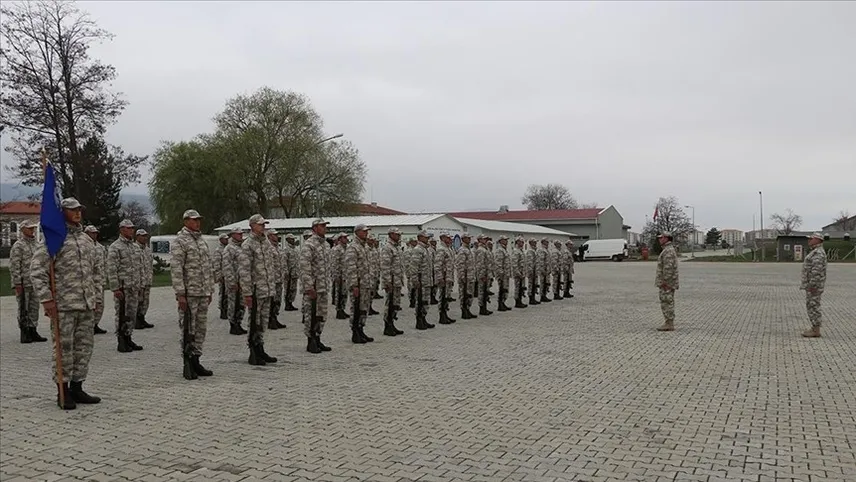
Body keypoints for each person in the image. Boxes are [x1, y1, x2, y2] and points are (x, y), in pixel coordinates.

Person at [30, 198, 103, 409]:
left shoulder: (86, 240)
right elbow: (38, 270)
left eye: (79, 209)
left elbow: (96, 271)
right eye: (72, 210)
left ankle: (77, 388)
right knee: (63, 349)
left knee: (84, 349)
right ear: (62, 212)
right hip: (64, 305)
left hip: (86, 304)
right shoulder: (54, 238)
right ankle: (62, 391)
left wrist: (97, 297)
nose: (77, 213)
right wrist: (47, 299)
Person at [170, 209, 215, 379]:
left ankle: (196, 359)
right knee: (188, 328)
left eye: (198, 220)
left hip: (202, 292)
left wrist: (210, 289)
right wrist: (180, 293)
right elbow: (176, 268)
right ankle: (187, 362)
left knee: (200, 329)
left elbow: (208, 267)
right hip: (189, 293)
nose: (197, 223)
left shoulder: (201, 241)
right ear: (186, 221)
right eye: (194, 220)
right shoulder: (180, 241)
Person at [238, 214, 279, 365]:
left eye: (264, 224)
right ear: (252, 226)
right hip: (255, 290)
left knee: (263, 321)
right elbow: (244, 270)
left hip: (266, 289)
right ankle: (253, 351)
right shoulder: (248, 244)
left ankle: (260, 348)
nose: (263, 227)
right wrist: (247, 293)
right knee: (254, 322)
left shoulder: (265, 242)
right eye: (260, 224)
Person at [107, 219, 144, 352]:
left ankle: (128, 337)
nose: (131, 230)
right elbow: (112, 269)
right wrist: (115, 288)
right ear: (121, 229)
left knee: (132, 314)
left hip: (134, 286)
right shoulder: (115, 247)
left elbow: (140, 267)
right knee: (122, 314)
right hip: (123, 287)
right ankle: (121, 339)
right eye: (128, 228)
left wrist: (141, 284)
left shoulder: (135, 247)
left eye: (132, 228)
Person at [10, 219, 47, 343]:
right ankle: (24, 331)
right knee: (23, 308)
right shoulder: (18, 245)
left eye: (33, 228)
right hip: (23, 282)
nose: (32, 230)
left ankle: (33, 329)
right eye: (29, 228)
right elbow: (14, 265)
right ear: (22, 230)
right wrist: (17, 283)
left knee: (34, 307)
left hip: (35, 282)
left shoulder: (37, 244)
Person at [299, 218, 333, 353]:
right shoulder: (309, 245)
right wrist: (309, 287)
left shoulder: (326, 245)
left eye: (325, 226)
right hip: (313, 287)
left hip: (323, 286)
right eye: (322, 226)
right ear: (314, 228)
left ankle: (318, 337)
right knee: (310, 314)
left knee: (321, 314)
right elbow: (304, 267)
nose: (325, 228)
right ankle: (310, 340)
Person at [345, 224, 374, 343]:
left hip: (365, 284)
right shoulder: (353, 247)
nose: (366, 233)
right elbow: (351, 268)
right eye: (364, 231)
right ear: (357, 232)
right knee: (356, 308)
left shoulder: (364, 247)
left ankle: (361, 329)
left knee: (363, 309)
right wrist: (354, 285)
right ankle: (355, 332)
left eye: (367, 231)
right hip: (358, 284)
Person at [800, 233, 828, 338]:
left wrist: (812, 285)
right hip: (812, 285)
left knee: (814, 306)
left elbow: (816, 271)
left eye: (811, 239)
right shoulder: (815, 251)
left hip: (814, 286)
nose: (809, 240)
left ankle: (816, 330)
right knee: (811, 306)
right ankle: (814, 328)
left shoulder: (818, 253)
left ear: (818, 240)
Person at [380, 227, 406, 336]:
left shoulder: (397, 247)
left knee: (395, 303)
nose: (399, 236)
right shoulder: (387, 248)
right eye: (397, 234)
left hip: (397, 281)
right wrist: (387, 282)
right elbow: (385, 266)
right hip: (391, 281)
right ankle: (387, 326)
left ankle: (392, 324)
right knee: (389, 303)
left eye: (399, 234)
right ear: (391, 235)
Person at [85, 225, 109, 334]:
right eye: (92, 233)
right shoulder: (84, 246)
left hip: (100, 280)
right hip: (89, 281)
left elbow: (105, 263)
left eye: (95, 233)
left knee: (100, 304)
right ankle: (88, 325)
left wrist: (105, 277)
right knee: (90, 304)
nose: (94, 235)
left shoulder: (100, 247)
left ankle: (95, 324)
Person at [223, 228, 247, 335]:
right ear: (232, 235)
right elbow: (227, 266)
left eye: (241, 234)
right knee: (233, 304)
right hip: (234, 281)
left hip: (242, 281)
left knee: (241, 304)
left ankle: (239, 323)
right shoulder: (229, 248)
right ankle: (233, 325)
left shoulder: (241, 247)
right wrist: (232, 282)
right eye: (238, 234)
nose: (241, 235)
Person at [655, 232, 679, 331]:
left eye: (661, 238)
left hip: (667, 283)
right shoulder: (667, 250)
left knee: (667, 301)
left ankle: (669, 323)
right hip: (666, 282)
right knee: (666, 301)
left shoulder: (668, 251)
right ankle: (668, 322)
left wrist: (666, 282)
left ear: (666, 238)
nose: (659, 239)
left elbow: (668, 267)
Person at [411, 231, 434, 330]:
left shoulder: (425, 249)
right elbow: (414, 266)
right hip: (421, 280)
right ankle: (419, 320)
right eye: (425, 237)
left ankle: (423, 318)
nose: (427, 239)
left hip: (426, 280)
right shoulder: (418, 249)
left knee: (425, 301)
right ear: (420, 237)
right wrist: (415, 280)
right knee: (420, 301)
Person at [433, 232, 456, 324]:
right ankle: (442, 316)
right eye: (448, 238)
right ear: (442, 238)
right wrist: (440, 278)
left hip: (448, 277)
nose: (450, 239)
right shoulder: (441, 249)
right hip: (443, 277)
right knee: (442, 296)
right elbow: (437, 265)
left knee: (446, 296)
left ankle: (445, 314)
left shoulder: (448, 249)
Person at [266, 230, 286, 330]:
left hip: (279, 278)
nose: (276, 236)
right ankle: (270, 320)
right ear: (269, 236)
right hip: (272, 279)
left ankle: (275, 317)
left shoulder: (278, 247)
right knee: (272, 300)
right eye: (274, 235)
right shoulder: (267, 247)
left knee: (277, 300)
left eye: (277, 235)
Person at [135, 229, 154, 329]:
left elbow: (150, 264)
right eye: (142, 236)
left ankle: (142, 318)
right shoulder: (134, 248)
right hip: (138, 281)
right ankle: (136, 320)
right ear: (137, 237)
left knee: (145, 301)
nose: (144, 238)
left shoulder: (148, 250)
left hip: (147, 280)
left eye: (145, 236)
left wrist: (150, 276)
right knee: (138, 301)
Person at [455, 233, 477, 319]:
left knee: (469, 294)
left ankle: (468, 309)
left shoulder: (468, 250)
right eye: (467, 238)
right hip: (465, 278)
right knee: (464, 295)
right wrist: (462, 277)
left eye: (470, 238)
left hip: (470, 277)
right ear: (463, 239)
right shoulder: (462, 250)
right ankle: (464, 311)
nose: (469, 239)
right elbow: (460, 265)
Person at [475, 235, 493, 316]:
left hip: (486, 274)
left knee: (485, 291)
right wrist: (482, 275)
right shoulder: (480, 250)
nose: (485, 240)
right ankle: (482, 308)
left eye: (486, 239)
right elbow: (480, 264)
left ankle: (484, 308)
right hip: (483, 275)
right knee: (482, 292)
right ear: (479, 240)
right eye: (484, 239)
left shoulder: (485, 249)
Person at [494, 236, 512, 311]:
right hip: (502, 275)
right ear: (501, 241)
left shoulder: (504, 250)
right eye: (505, 240)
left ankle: (503, 303)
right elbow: (498, 263)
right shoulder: (500, 250)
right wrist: (501, 274)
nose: (506, 241)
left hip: (505, 274)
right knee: (501, 289)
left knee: (505, 289)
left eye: (506, 240)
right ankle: (500, 304)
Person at [282, 234, 299, 311]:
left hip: (295, 273)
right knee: (288, 289)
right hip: (289, 273)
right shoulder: (286, 250)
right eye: (291, 239)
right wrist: (286, 272)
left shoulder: (295, 249)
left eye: (293, 239)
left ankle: (291, 303)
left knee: (293, 289)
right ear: (287, 240)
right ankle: (287, 304)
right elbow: (284, 262)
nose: (293, 240)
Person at [214, 234, 229, 320]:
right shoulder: (218, 250)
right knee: (223, 294)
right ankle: (223, 310)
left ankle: (228, 309)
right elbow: (217, 264)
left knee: (228, 294)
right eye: (225, 239)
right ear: (220, 240)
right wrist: (219, 275)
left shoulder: (228, 248)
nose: (227, 240)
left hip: (229, 275)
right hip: (223, 276)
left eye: (227, 239)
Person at [511, 236, 528, 309]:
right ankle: (517, 302)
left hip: (522, 273)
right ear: (517, 242)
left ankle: (520, 301)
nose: (522, 243)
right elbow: (514, 264)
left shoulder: (521, 251)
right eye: (521, 242)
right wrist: (518, 273)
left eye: (523, 242)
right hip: (518, 274)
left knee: (521, 287)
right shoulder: (516, 251)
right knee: (517, 288)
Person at [526, 239, 540, 306]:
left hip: (535, 271)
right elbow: (530, 262)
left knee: (534, 284)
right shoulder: (530, 251)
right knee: (531, 284)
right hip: (532, 271)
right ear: (530, 243)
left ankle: (533, 298)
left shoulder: (535, 250)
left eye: (535, 242)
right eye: (534, 242)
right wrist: (531, 271)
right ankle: (531, 299)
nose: (535, 243)